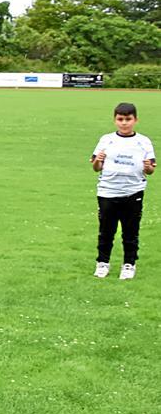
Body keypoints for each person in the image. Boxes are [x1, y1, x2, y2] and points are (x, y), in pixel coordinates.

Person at [91, 102, 156, 280]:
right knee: (106, 230)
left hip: (133, 191)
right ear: (115, 120)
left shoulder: (143, 141)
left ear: (135, 120)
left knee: (130, 231)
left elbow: (150, 170)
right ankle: (102, 263)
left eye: (128, 119)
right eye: (120, 119)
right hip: (107, 191)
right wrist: (99, 160)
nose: (124, 123)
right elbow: (96, 167)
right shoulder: (106, 140)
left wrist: (149, 166)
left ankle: (129, 264)